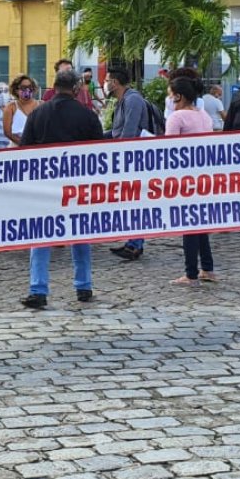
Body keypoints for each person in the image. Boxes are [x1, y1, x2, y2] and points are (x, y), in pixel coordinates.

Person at [19, 69, 103, 308]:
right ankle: (84, 286)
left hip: (45, 186)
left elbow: (24, 151)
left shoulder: (37, 113)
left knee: (40, 235)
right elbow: (101, 154)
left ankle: (38, 289)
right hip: (78, 186)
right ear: (76, 89)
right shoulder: (87, 116)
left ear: (53, 87)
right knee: (80, 234)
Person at [164, 77, 219, 286]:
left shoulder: (177, 117)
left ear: (179, 95)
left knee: (189, 223)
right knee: (201, 223)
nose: (169, 98)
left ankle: (190, 273)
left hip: (185, 177)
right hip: (204, 176)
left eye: (171, 94)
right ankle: (207, 268)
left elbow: (168, 148)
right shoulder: (203, 115)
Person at [104, 66, 150, 260]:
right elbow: (116, 131)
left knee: (135, 202)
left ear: (114, 82)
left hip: (134, 159)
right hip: (127, 157)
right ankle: (133, 243)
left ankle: (135, 245)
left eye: (107, 80)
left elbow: (128, 133)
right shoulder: (122, 101)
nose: (105, 84)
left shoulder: (133, 100)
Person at [3, 74, 40, 146]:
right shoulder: (10, 107)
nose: (27, 90)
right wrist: (23, 144)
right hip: (17, 147)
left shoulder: (41, 105)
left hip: (38, 146)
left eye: (30, 87)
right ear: (16, 90)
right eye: (23, 87)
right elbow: (7, 132)